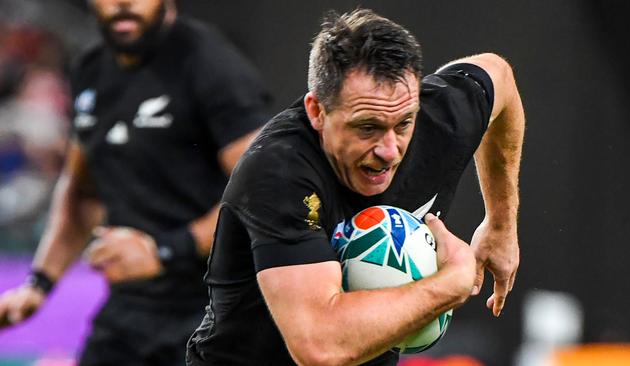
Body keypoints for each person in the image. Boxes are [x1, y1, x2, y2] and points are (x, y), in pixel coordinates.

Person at [186, 8, 524, 366]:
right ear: (317, 111)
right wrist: (450, 284)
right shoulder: (279, 171)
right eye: (367, 128)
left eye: (403, 123)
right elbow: (321, 347)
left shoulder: (439, 119)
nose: (389, 151)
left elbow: (498, 75)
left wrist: (500, 224)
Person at [0, 0, 271, 365]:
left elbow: (263, 192)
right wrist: (40, 284)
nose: (123, 3)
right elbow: (82, 191)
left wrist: (164, 250)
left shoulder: (211, 65)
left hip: (212, 313)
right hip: (128, 312)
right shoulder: (90, 70)